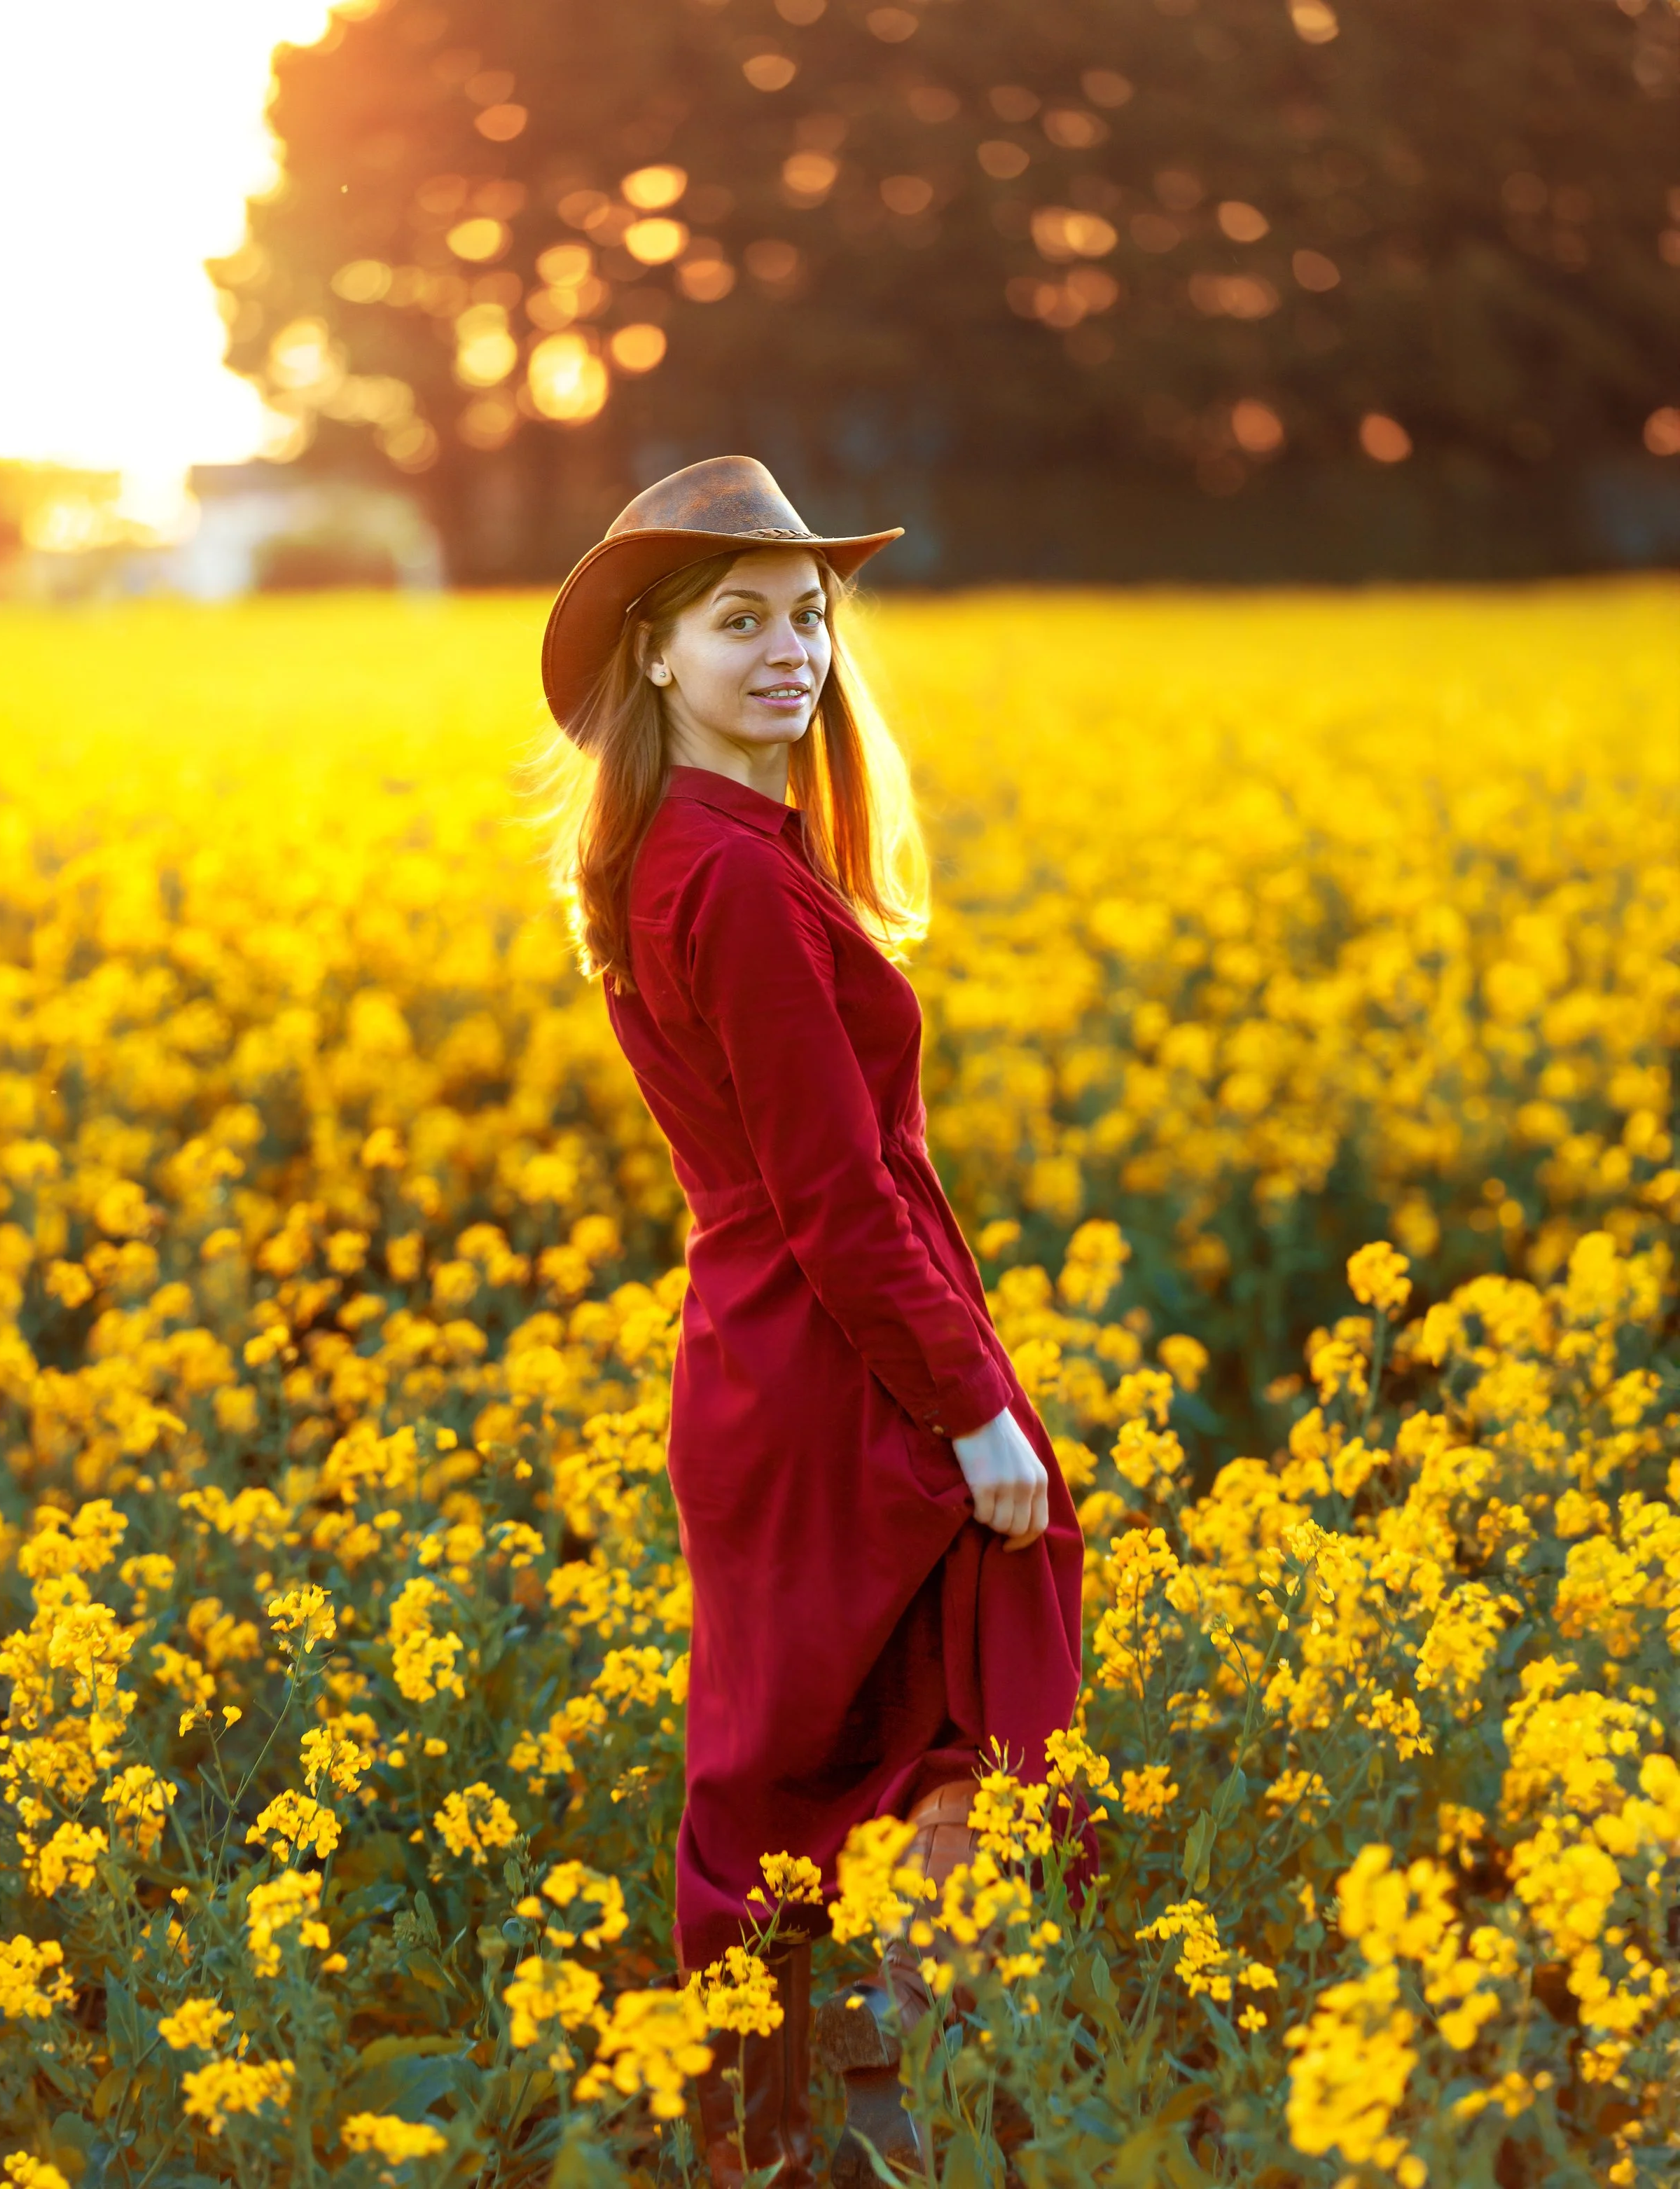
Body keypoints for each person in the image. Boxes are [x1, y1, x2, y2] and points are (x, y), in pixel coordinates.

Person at [540, 456, 1087, 2187]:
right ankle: (865, 2121)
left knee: (825, 1751)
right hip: (827, 1365)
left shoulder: (692, 853)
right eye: (737, 621)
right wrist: (976, 1412)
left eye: (807, 614)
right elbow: (835, 1195)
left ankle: (832, 2119)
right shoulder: (735, 881)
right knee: (908, 1733)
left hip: (777, 1352)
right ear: (652, 655)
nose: (790, 650)